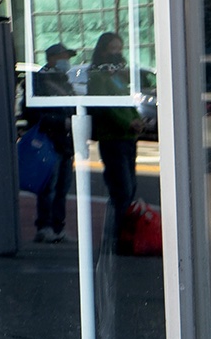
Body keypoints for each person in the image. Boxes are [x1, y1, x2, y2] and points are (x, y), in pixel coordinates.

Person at [86, 32, 139, 245]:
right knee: (122, 188)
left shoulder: (116, 76)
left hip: (127, 137)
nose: (117, 53)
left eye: (120, 48)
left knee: (130, 187)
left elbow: (127, 101)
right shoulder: (97, 76)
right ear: (103, 51)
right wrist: (127, 122)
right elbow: (104, 107)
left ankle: (123, 234)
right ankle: (118, 236)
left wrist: (136, 119)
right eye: (113, 49)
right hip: (113, 138)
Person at [28, 43, 76, 243]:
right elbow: (33, 113)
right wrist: (60, 121)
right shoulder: (40, 79)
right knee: (49, 187)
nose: (67, 61)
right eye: (64, 56)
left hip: (64, 142)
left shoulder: (64, 80)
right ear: (52, 57)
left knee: (62, 187)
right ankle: (45, 226)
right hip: (50, 141)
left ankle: (57, 227)